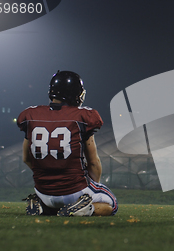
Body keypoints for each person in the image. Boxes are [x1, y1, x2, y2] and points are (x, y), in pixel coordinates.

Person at [18, 70, 118, 217]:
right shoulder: (82, 117)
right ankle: (84, 208)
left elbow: (26, 158)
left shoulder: (31, 115)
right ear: (74, 93)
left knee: (50, 198)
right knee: (112, 204)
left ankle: (44, 207)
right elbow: (94, 163)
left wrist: (48, 176)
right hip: (75, 190)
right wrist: (89, 190)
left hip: (43, 190)